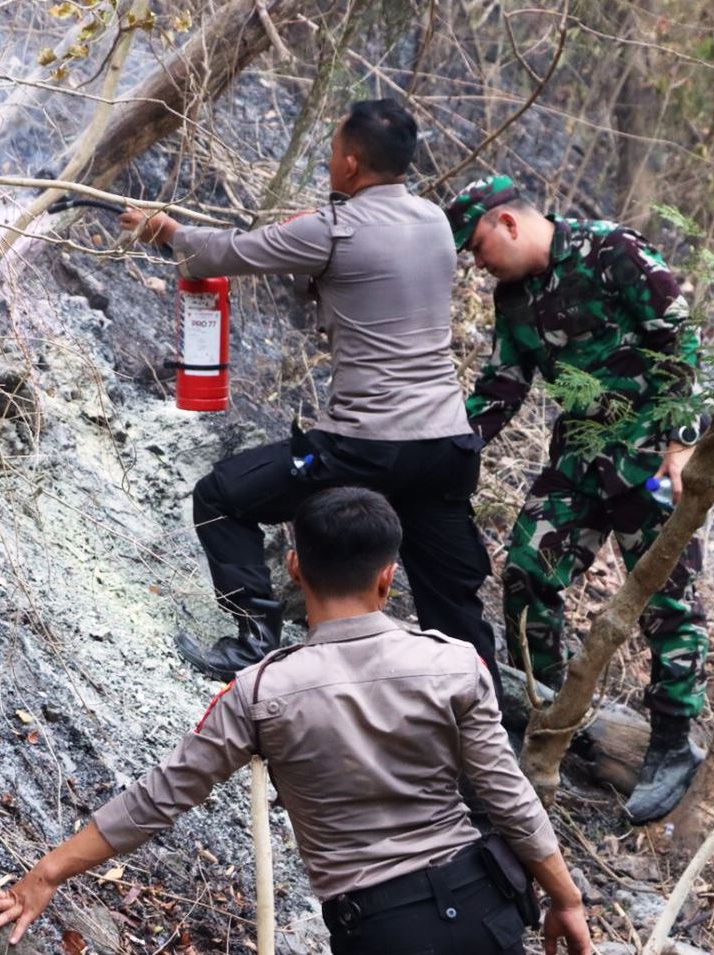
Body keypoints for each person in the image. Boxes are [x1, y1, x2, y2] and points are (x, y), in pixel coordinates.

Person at [0, 488, 592, 954]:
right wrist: (566, 899)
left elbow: (158, 799)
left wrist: (42, 877)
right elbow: (509, 800)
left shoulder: (261, 691)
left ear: (293, 568)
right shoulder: (454, 665)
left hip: (379, 928)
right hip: (484, 909)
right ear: (388, 576)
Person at [119, 98, 498, 689]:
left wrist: (169, 232)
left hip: (363, 446)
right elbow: (358, 283)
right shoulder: (433, 225)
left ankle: (255, 638)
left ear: (349, 163)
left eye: (331, 154)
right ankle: (484, 730)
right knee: (453, 602)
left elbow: (230, 253)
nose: (329, 164)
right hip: (446, 447)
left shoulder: (335, 228)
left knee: (222, 497)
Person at [443, 175, 711, 823]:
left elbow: (682, 334)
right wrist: (445, 446)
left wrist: (682, 441)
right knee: (529, 572)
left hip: (649, 456)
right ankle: (547, 714)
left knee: (666, 597)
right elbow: (502, 385)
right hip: (581, 456)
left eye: (478, 247)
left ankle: (673, 743)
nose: (477, 265)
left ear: (508, 223)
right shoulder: (514, 298)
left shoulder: (611, 251)